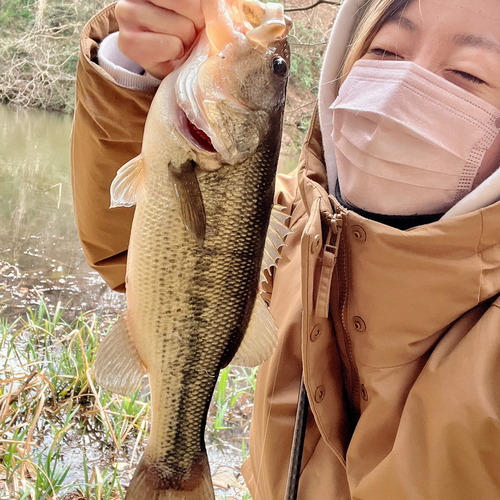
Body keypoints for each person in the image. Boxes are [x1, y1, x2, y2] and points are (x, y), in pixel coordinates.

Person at [71, 0, 500, 498]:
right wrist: (132, 64)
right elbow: (132, 256)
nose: (404, 83)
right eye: (384, 50)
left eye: (468, 74)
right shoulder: (297, 223)